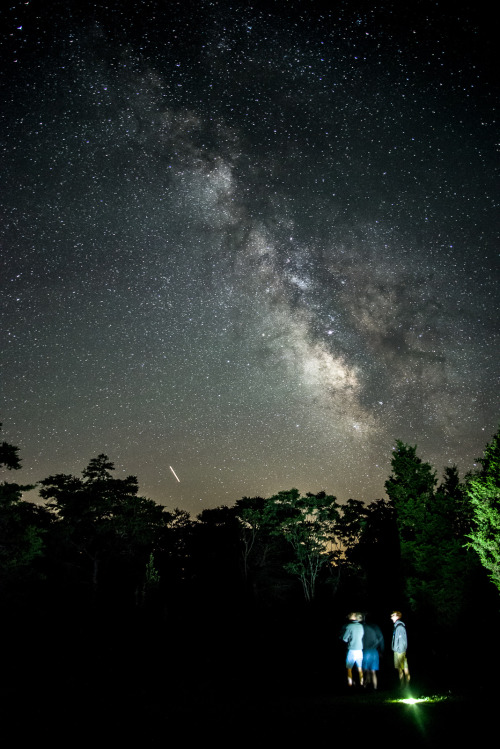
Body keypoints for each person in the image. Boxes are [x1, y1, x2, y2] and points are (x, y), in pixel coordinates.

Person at [362, 616, 384, 690]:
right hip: (374, 651)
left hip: (365, 651)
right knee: (373, 671)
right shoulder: (375, 627)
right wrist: (381, 650)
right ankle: (375, 688)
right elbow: (381, 638)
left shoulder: (363, 627)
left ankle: (365, 686)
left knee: (366, 670)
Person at [342, 612, 364, 687]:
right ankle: (361, 684)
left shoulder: (349, 626)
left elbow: (344, 638)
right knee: (360, 668)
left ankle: (350, 684)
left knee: (349, 668)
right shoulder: (361, 626)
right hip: (360, 649)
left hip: (352, 649)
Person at [390, 610, 410, 687]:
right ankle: (402, 685)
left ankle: (407, 686)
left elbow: (402, 640)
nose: (391, 616)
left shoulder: (400, 627)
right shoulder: (396, 626)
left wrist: (400, 650)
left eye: (393, 615)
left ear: (398, 616)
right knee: (399, 669)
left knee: (405, 668)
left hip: (400, 651)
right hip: (397, 651)